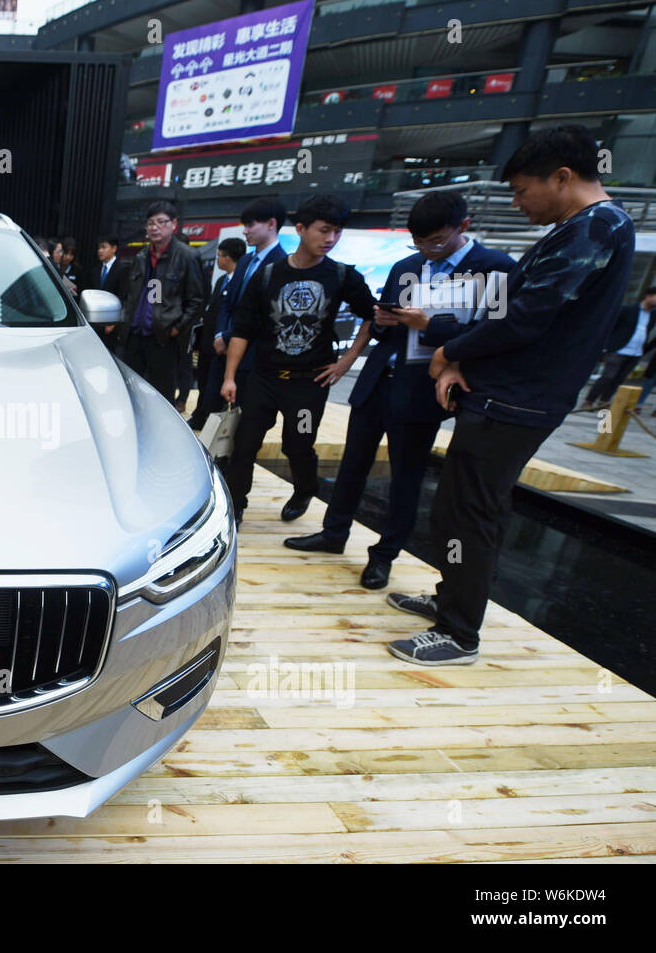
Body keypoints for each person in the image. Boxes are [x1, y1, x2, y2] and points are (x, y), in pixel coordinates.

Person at [388, 125, 636, 666]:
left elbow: (524, 319)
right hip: (500, 392)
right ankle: (450, 599)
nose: (519, 203)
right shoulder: (580, 227)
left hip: (519, 401)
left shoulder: (596, 228)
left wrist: (450, 352)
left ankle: (459, 633)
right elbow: (511, 318)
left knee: (472, 511)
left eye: (523, 191)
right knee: (455, 507)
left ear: (563, 177)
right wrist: (465, 360)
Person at [283, 189, 516, 590]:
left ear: (463, 226)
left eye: (436, 241)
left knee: (405, 478)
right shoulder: (408, 265)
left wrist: (429, 326)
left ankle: (384, 555)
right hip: (379, 379)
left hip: (423, 388)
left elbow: (490, 336)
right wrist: (385, 319)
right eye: (419, 242)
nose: (427, 250)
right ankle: (333, 533)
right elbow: (384, 317)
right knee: (352, 463)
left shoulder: (494, 269)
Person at [220, 194, 377, 525]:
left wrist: (346, 361)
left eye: (337, 231)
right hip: (264, 377)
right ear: (302, 228)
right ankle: (236, 504)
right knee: (245, 444)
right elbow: (242, 331)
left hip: (310, 382)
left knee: (298, 444)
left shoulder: (342, 276)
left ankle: (305, 488)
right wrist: (230, 377)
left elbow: (372, 316)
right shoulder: (267, 276)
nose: (330, 239)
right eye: (324, 230)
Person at [198, 198, 290, 421]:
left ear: (271, 224)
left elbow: (264, 315)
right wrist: (221, 335)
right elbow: (228, 303)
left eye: (250, 226)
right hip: (223, 352)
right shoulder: (246, 260)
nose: (245, 231)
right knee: (210, 408)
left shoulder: (282, 264)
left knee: (244, 419)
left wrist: (230, 336)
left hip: (253, 357)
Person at [118, 201, 207, 402]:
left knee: (161, 395)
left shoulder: (187, 256)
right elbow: (153, 294)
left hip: (164, 339)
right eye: (150, 223)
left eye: (160, 222)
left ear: (173, 224)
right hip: (136, 335)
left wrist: (176, 328)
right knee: (131, 393)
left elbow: (196, 300)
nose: (154, 227)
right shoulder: (143, 256)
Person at [187, 236, 246, 429]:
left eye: (220, 256)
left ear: (228, 258)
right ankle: (199, 415)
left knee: (215, 390)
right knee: (203, 382)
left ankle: (211, 424)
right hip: (208, 342)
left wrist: (225, 337)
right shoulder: (221, 280)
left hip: (225, 346)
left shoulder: (242, 281)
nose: (218, 260)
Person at [581, 286, 656, 408]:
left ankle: (604, 400)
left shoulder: (653, 315)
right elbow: (612, 327)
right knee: (608, 376)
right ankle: (589, 400)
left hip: (636, 352)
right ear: (649, 296)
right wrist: (607, 345)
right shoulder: (628, 310)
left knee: (619, 379)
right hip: (619, 348)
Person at [90, 234, 129, 356]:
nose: (100, 251)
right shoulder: (95, 270)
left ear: (114, 248)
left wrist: (114, 322)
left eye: (104, 247)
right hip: (96, 323)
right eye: (99, 248)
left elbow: (124, 296)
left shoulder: (123, 269)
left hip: (113, 324)